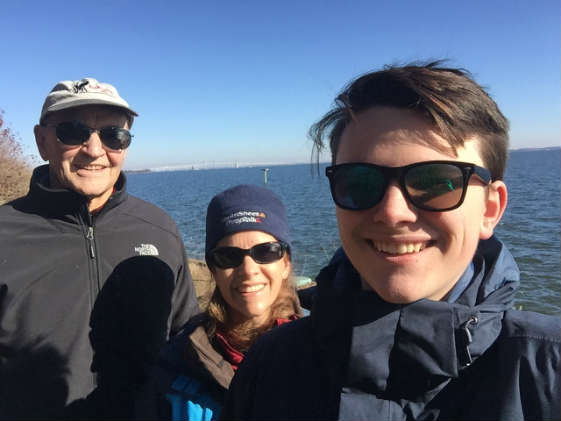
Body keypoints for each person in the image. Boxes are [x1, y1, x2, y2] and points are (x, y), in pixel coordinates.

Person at [221, 62, 561, 420]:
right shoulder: (271, 365)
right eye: (360, 183)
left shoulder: (547, 371)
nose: (392, 212)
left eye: (436, 182)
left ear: (490, 209)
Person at [0, 78, 199, 419]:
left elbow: (188, 338)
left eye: (113, 135)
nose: (94, 150)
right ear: (42, 140)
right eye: (73, 132)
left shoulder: (159, 228)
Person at [138, 184, 302, 420]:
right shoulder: (174, 369)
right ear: (213, 269)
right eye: (228, 257)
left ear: (285, 263)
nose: (248, 270)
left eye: (266, 252)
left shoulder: (321, 355)